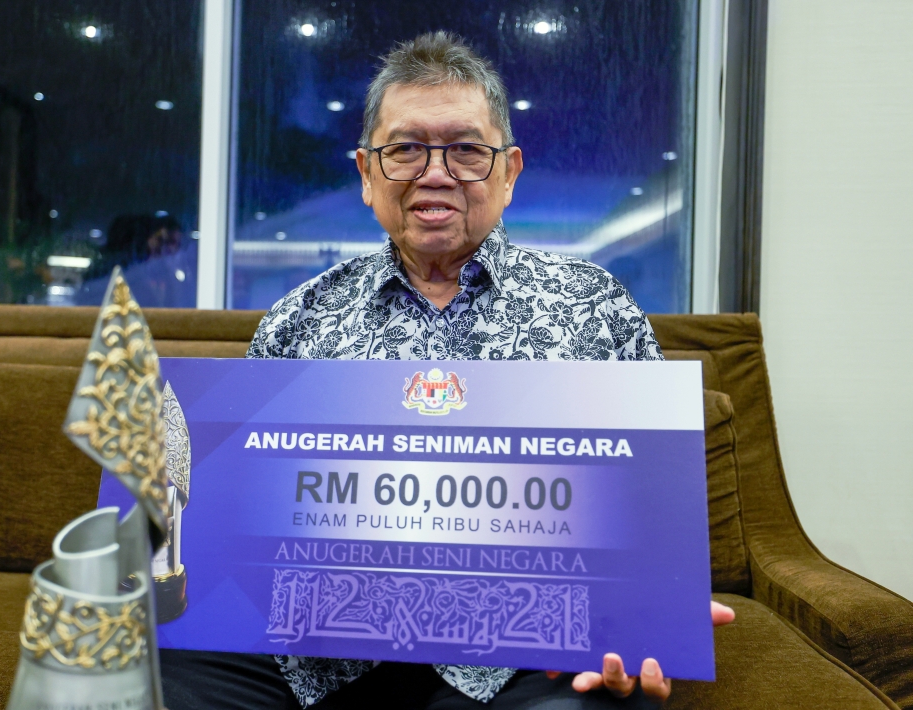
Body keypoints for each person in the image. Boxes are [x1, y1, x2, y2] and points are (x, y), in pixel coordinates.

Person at [161, 31, 734, 709]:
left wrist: (652, 618)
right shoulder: (299, 319)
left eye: (465, 149)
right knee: (155, 670)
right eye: (405, 149)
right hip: (322, 652)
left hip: (527, 653)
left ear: (509, 171)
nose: (435, 172)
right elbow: (243, 514)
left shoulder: (594, 307)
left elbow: (651, 508)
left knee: (605, 699)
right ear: (367, 172)